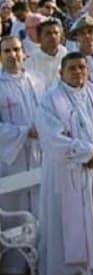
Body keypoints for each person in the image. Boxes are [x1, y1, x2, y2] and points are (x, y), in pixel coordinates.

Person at [37, 52, 93, 275]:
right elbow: (52, 137)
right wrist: (89, 153)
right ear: (61, 73)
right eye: (72, 68)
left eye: (82, 67)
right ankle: (72, 270)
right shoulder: (50, 100)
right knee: (69, 223)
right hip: (68, 172)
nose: (78, 72)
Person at [0, 36, 41, 275]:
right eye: (7, 51)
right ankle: (15, 264)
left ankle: (43, 255)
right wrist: (24, 132)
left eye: (16, 50)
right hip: (12, 158)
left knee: (40, 203)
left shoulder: (36, 80)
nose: (13, 55)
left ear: (23, 52)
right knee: (16, 207)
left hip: (39, 154)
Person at [27, 17, 66, 88]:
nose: (53, 36)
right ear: (39, 37)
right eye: (48, 33)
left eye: (56, 33)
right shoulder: (31, 61)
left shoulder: (66, 54)